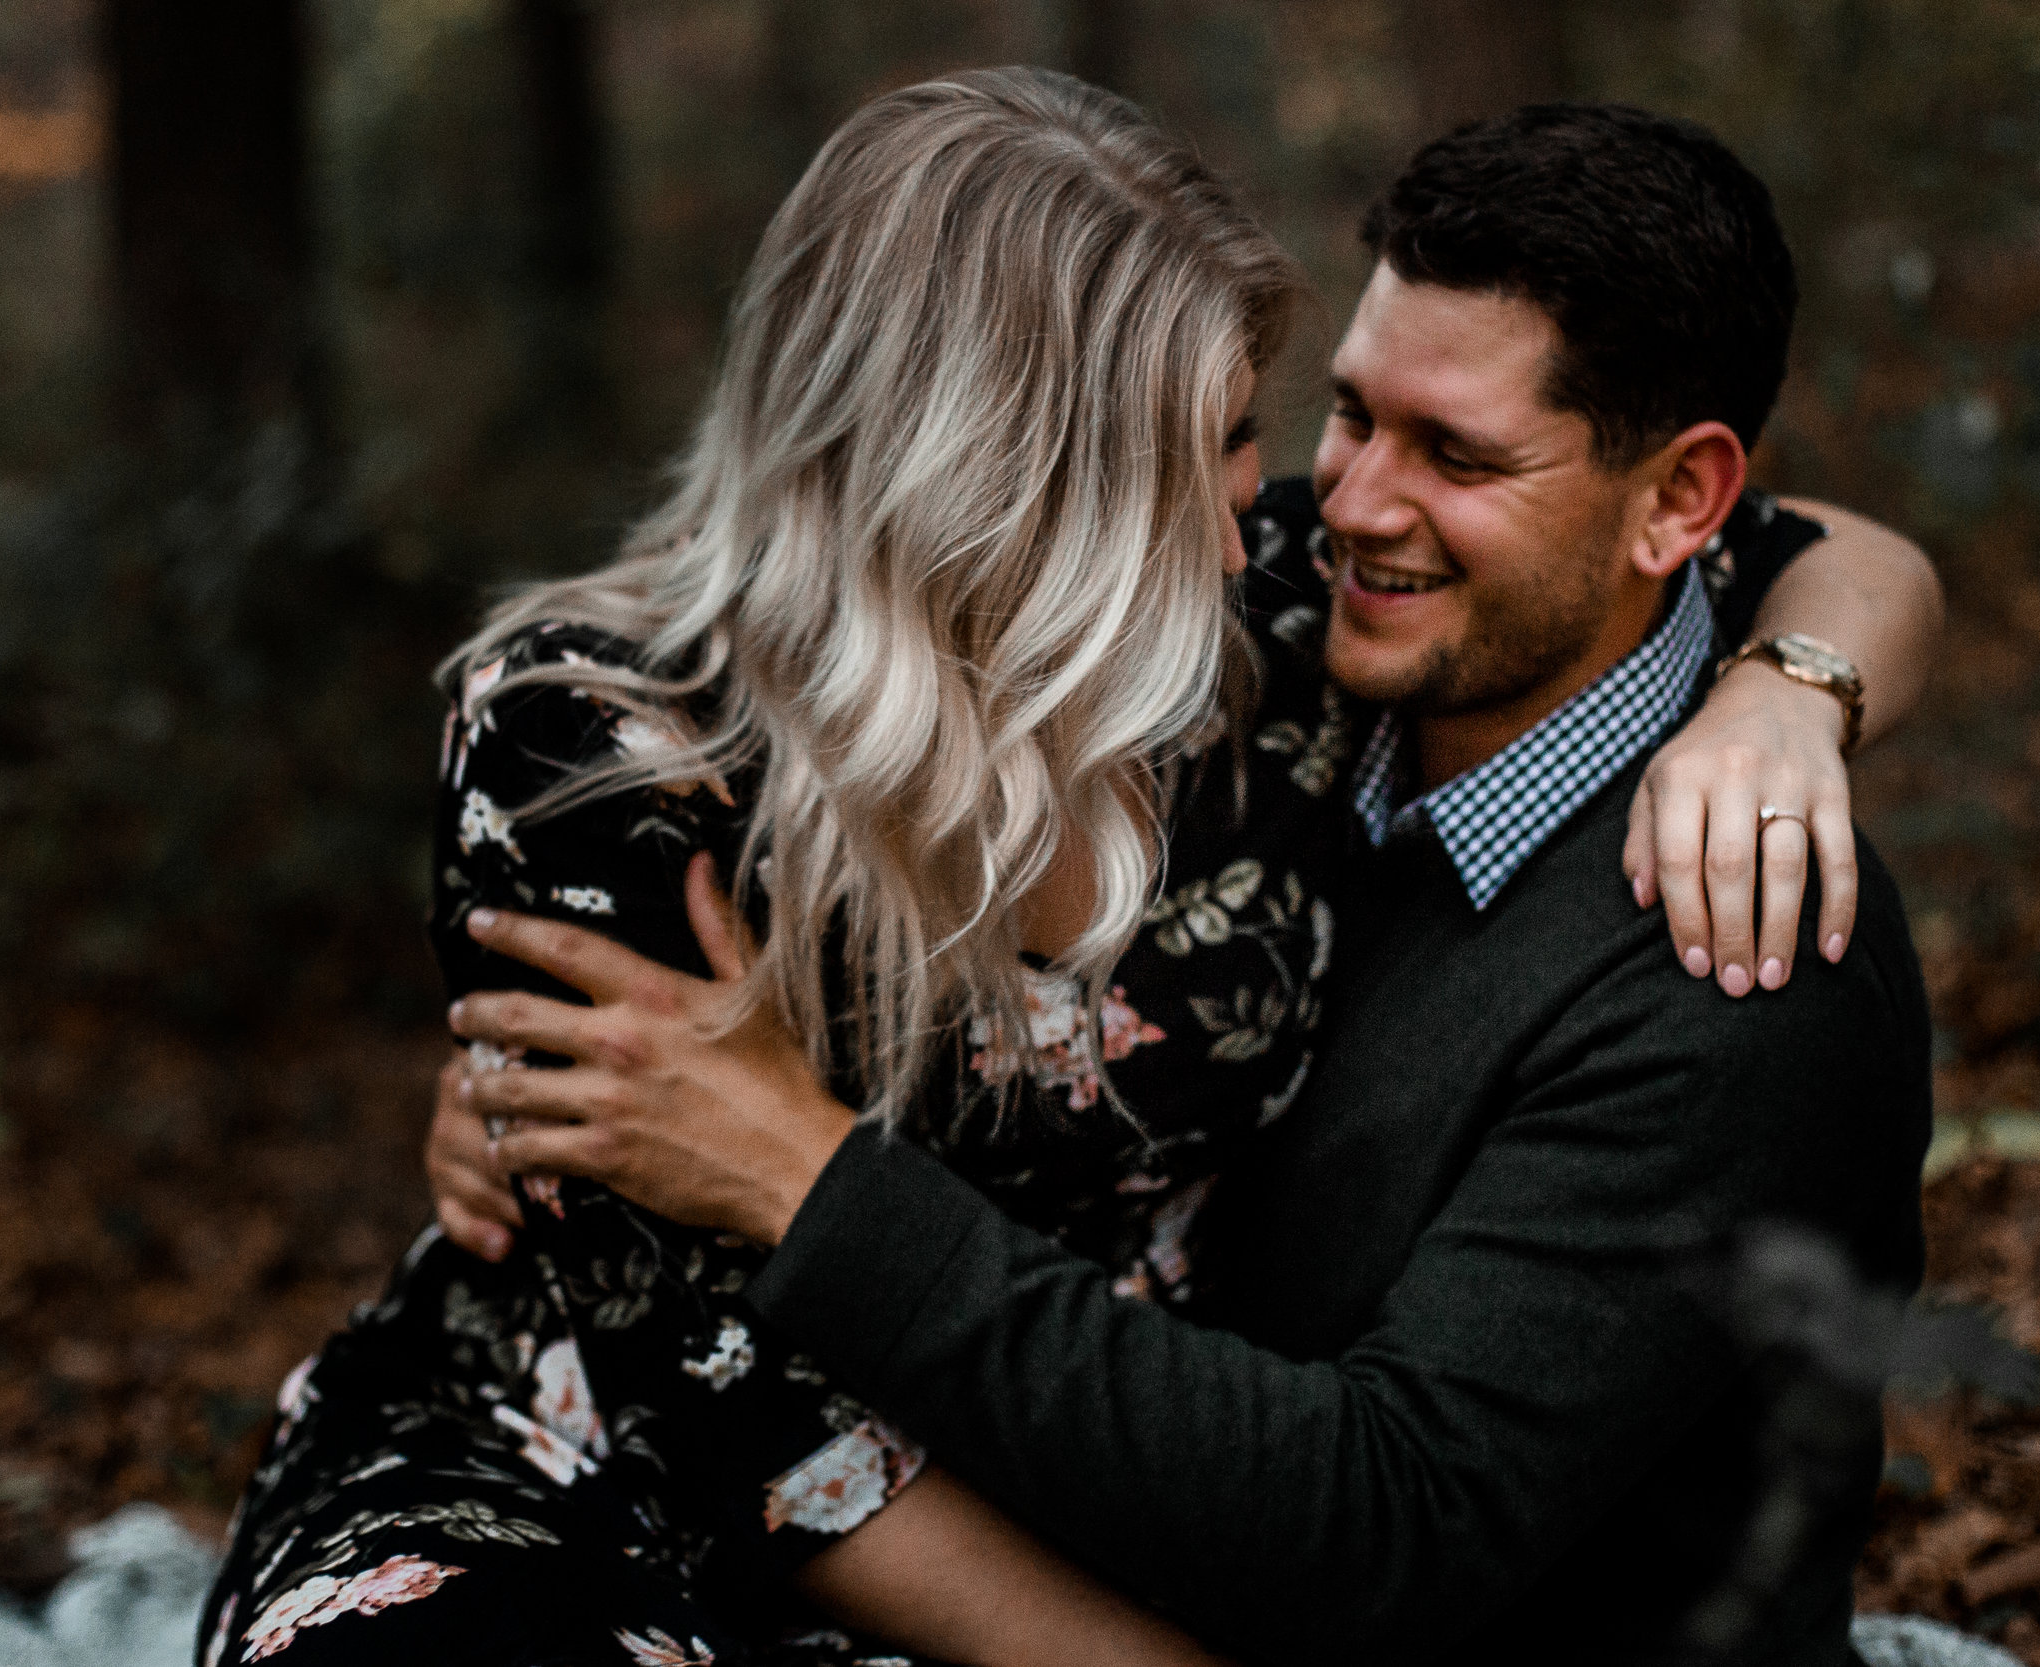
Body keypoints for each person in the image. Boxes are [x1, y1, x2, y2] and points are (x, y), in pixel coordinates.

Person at [437, 102, 1941, 1666]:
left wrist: (806, 1182)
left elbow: (1390, 1529)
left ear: (1679, 505)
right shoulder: (1301, 650)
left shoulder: (1740, 954)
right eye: (1351, 414)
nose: (1348, 504)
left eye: (1458, 455)